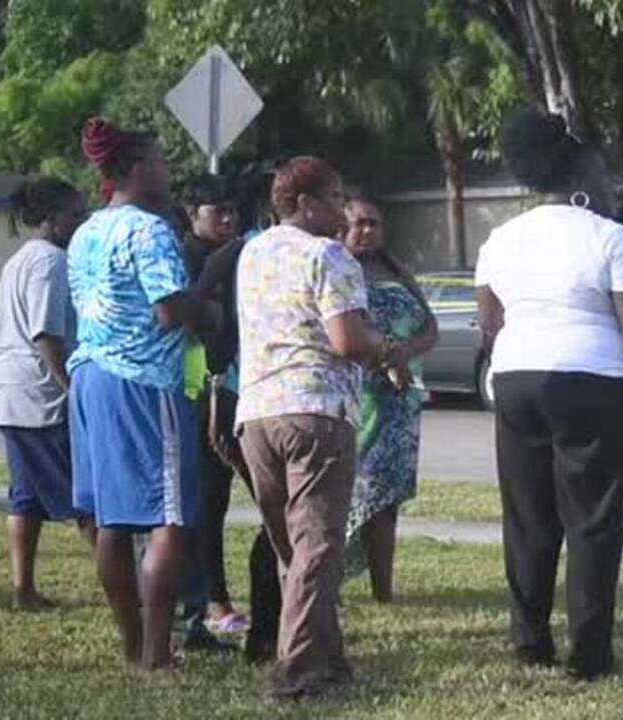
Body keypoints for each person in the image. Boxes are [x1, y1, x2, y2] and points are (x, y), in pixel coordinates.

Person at [475, 109, 623, 681]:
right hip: (593, 381)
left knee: (529, 517)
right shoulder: (610, 238)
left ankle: (528, 639)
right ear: (579, 171)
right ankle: (589, 654)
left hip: (516, 380)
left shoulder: (500, 238)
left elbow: (491, 321)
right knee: (593, 519)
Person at [235, 157, 406, 700]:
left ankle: (329, 660)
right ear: (306, 204)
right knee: (317, 546)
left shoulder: (254, 251)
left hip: (258, 413)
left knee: (295, 550)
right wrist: (386, 349)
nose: (343, 207)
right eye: (334, 197)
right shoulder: (328, 254)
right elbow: (347, 342)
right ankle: (300, 676)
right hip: (315, 411)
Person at [68, 117, 215, 670]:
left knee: (112, 519)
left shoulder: (85, 230)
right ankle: (157, 655)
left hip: (91, 379)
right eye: (160, 162)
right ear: (134, 169)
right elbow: (169, 309)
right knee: (168, 519)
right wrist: (208, 304)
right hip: (144, 382)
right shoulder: (150, 230)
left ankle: (134, 648)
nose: (168, 172)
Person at [0, 176, 97, 611]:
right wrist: (71, 389)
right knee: (83, 498)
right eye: (76, 214)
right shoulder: (50, 263)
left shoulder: (21, 258)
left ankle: (23, 589)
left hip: (10, 394)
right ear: (52, 220)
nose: (83, 221)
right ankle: (128, 588)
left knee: (26, 496)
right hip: (40, 396)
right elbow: (45, 335)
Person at [341, 194, 438, 603]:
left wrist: (405, 353)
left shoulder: (396, 271)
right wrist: (382, 357)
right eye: (359, 223)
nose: (367, 231)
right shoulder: (337, 271)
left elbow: (431, 328)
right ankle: (329, 584)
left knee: (387, 497)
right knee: (347, 493)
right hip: (356, 399)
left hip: (400, 400)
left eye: (374, 223)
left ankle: (384, 589)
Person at [179, 174, 249, 635]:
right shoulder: (184, 256)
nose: (227, 218)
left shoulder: (242, 255)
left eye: (231, 210)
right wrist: (219, 267)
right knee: (202, 500)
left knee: (218, 499)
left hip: (232, 387)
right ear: (191, 215)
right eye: (215, 211)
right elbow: (186, 317)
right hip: (193, 390)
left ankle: (213, 596)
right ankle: (210, 602)